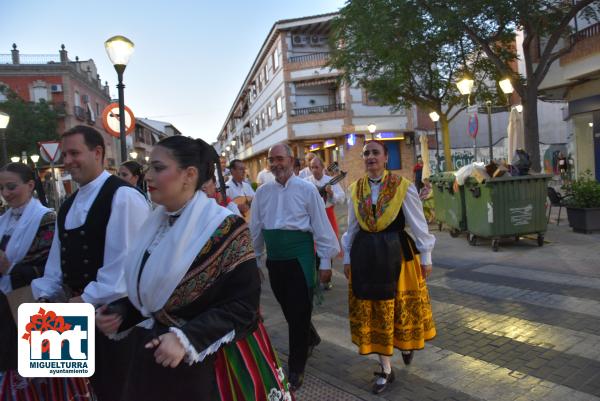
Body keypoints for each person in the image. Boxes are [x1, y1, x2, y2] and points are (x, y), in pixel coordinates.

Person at [95, 136, 291, 401]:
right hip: (156, 360)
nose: (148, 176)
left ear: (189, 175)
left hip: (211, 365)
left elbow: (243, 306)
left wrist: (187, 338)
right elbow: (154, 292)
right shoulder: (157, 224)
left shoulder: (226, 228)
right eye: (148, 168)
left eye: (158, 168)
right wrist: (122, 312)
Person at [31, 125, 151, 400]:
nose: (68, 160)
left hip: (112, 317)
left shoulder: (124, 197)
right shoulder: (69, 204)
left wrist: (77, 304)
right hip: (72, 314)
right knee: (69, 392)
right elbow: (55, 266)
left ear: (97, 152)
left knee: (114, 390)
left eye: (75, 153)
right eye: (65, 154)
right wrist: (46, 299)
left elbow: (125, 269)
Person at [341, 140, 436, 394]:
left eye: (375, 153)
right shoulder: (355, 189)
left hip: (398, 255)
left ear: (385, 158)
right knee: (375, 311)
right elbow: (351, 228)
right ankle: (385, 368)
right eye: (366, 153)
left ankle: (405, 345)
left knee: (399, 307)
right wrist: (347, 258)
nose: (370, 157)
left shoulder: (402, 187)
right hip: (366, 257)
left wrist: (426, 256)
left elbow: (418, 224)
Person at [250, 143, 340, 391]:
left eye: (280, 158)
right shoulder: (263, 192)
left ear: (291, 160)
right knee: (290, 310)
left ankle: (296, 367)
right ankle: (310, 337)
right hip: (275, 261)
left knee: (298, 315)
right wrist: (255, 261)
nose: (276, 164)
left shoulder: (307, 189)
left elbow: (322, 227)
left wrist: (324, 262)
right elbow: (255, 229)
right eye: (272, 160)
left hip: (300, 259)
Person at [0, 163, 89, 401]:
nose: (6, 193)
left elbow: (54, 269)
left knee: (52, 380)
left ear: (30, 185)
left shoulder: (47, 219)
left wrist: (10, 268)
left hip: (40, 305)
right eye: (1, 188)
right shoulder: (4, 220)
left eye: (11, 186)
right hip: (6, 309)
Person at [304, 156, 345, 289]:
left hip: (328, 215)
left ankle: (326, 279)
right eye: (312, 167)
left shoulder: (330, 181)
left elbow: (342, 199)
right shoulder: (306, 182)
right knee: (313, 247)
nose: (314, 170)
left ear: (322, 167)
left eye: (317, 167)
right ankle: (316, 276)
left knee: (329, 244)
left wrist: (332, 194)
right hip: (311, 218)